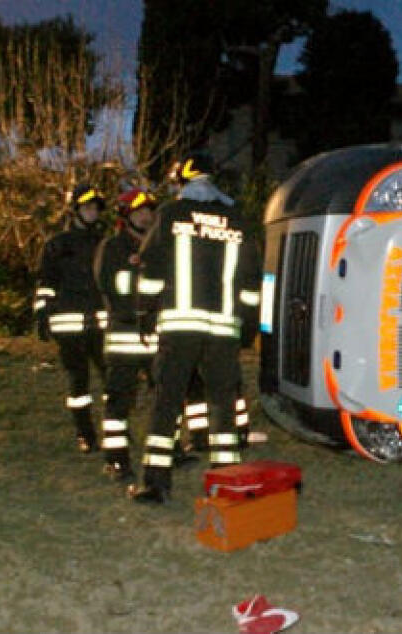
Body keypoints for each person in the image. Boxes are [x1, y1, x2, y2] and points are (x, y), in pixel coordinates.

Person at [127, 152, 261, 504]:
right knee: (223, 404)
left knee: (167, 401)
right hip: (223, 330)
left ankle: (156, 484)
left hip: (180, 327)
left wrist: (145, 315)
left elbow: (151, 269)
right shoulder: (237, 219)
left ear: (183, 181)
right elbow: (251, 280)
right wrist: (247, 327)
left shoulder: (170, 214)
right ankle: (226, 481)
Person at [93, 187, 160, 481]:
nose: (145, 217)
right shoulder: (113, 248)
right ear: (125, 216)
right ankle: (116, 459)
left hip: (156, 334)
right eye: (139, 212)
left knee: (164, 395)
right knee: (119, 400)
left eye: (148, 211)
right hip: (125, 334)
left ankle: (167, 452)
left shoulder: (158, 245)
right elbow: (108, 286)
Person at [35, 184, 108, 453]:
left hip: (101, 324)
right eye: (87, 207)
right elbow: (46, 283)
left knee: (112, 379)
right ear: (75, 210)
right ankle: (85, 434)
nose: (92, 212)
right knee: (79, 382)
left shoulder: (105, 243)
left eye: (95, 208)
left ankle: (115, 430)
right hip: (69, 327)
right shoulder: (58, 245)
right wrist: (42, 315)